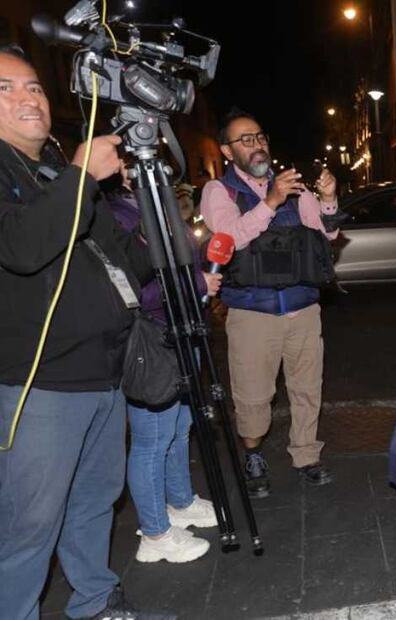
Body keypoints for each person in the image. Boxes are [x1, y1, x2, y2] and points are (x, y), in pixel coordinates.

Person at [0, 46, 169, 619]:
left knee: (95, 502)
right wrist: (79, 174)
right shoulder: (31, 173)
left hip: (104, 371)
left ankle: (94, 603)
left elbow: (121, 259)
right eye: (5, 88)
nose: (28, 98)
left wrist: (157, 217)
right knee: (29, 525)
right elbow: (22, 247)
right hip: (40, 384)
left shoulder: (52, 167)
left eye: (34, 88)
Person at [200, 110, 340, 498]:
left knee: (307, 388)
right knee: (253, 394)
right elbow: (231, 237)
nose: (257, 144)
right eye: (245, 140)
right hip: (252, 312)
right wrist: (271, 202)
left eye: (260, 137)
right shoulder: (220, 191)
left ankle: (306, 455)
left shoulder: (294, 187)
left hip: (303, 309)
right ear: (228, 151)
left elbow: (326, 237)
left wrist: (328, 201)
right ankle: (253, 453)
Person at [106, 172, 222, 564]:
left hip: (181, 330)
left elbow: (180, 263)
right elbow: (135, 285)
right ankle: (154, 533)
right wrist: (200, 285)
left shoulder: (155, 205)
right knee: (152, 438)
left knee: (180, 425)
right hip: (153, 337)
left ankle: (180, 501)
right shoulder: (114, 214)